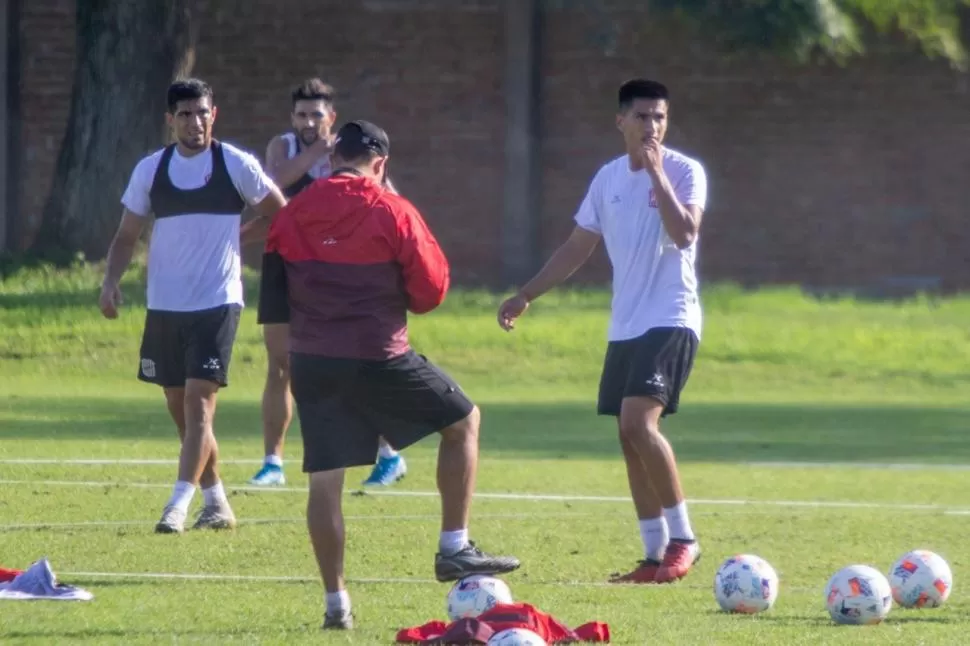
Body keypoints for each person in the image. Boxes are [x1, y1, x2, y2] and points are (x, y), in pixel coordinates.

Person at [259, 120, 520, 629]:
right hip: (381, 358)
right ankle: (454, 547)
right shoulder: (393, 209)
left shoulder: (290, 215)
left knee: (325, 481)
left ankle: (337, 606)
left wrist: (292, 362)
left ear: (333, 160)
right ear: (381, 164)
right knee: (463, 421)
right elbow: (431, 292)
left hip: (313, 361)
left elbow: (274, 306)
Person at [497, 79, 707, 585]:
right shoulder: (607, 178)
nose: (652, 126)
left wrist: (657, 174)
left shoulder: (683, 171)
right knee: (627, 435)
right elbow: (576, 247)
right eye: (642, 117)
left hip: (671, 315)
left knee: (639, 422)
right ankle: (654, 555)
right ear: (621, 122)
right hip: (625, 324)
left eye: (660, 117)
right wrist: (526, 293)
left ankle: (684, 540)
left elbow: (684, 233)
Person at [99, 78, 286, 534]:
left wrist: (241, 237)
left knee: (200, 406)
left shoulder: (235, 164)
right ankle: (215, 500)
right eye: (184, 114)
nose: (194, 122)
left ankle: (176, 506)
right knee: (180, 407)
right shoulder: (151, 170)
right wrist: (110, 281)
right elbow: (126, 235)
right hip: (165, 304)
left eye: (202, 112)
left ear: (213, 114)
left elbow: (280, 213)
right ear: (170, 120)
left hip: (218, 301)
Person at [248, 78, 408, 488]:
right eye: (301, 114)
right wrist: (319, 149)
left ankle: (389, 453)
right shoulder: (282, 147)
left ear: (331, 117)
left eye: (316, 115)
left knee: (349, 364)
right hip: (285, 265)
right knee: (281, 364)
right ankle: (272, 463)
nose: (307, 122)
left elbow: (384, 196)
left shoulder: (350, 153)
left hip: (333, 272)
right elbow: (275, 185)